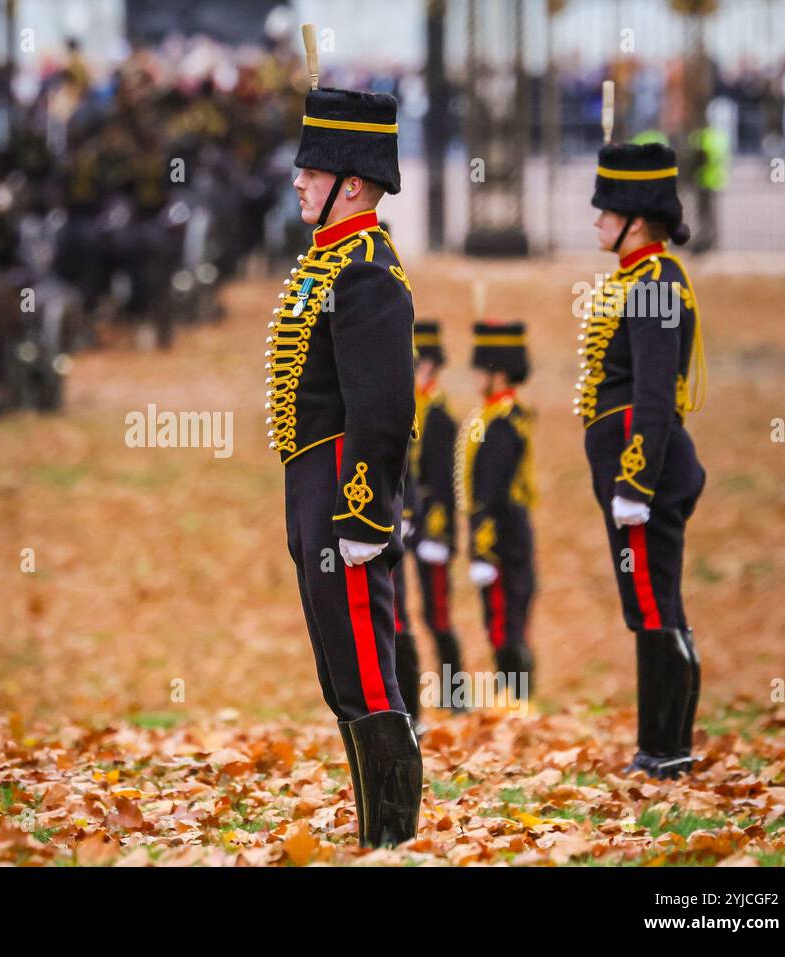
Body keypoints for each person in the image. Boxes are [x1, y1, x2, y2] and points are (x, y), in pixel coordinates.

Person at [266, 83, 421, 847]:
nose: (297, 180)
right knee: (342, 680)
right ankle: (376, 834)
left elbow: (384, 406)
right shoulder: (329, 259)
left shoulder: (365, 269)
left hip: (342, 496)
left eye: (313, 170)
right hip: (313, 488)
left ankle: (393, 841)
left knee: (367, 677)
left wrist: (364, 514)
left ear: (350, 186)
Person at [578, 141, 707, 779]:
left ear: (637, 219)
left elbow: (654, 396)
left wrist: (634, 481)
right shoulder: (637, 280)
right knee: (651, 607)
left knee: (656, 609)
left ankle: (665, 752)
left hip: (644, 477)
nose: (596, 221)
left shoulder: (655, 283)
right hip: (635, 475)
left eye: (607, 210)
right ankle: (661, 746)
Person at [459, 321, 537, 701]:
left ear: (498, 373)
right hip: (502, 534)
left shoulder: (503, 422)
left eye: (481, 369)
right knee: (498, 623)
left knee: (507, 625)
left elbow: (492, 493)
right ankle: (513, 698)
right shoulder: (494, 415)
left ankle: (517, 701)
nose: (475, 376)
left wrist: (483, 548)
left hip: (504, 537)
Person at [408, 320, 465, 711]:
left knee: (437, 615)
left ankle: (455, 695)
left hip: (431, 525)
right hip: (402, 519)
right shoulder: (404, 406)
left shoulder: (441, 415)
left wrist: (439, 535)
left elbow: (445, 482)